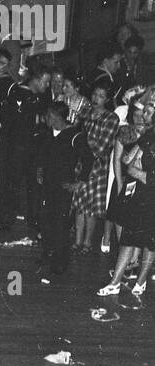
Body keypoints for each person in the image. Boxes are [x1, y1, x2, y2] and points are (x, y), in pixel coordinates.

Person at [97, 96, 155, 302]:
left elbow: (136, 167)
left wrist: (141, 173)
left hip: (151, 193)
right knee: (129, 236)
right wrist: (134, 167)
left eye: (147, 112)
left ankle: (141, 281)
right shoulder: (147, 136)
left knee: (150, 241)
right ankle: (116, 283)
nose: (143, 116)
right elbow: (127, 160)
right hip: (140, 192)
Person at [0, 60, 51, 234]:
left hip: (34, 151)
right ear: (35, 79)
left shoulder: (41, 98)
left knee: (34, 188)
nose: (47, 86)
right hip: (17, 150)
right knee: (12, 185)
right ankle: (6, 220)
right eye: (45, 82)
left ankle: (34, 222)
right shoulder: (17, 94)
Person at [36, 101, 92, 282]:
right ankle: (48, 252)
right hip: (47, 184)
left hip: (63, 186)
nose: (47, 119)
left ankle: (60, 261)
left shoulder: (74, 135)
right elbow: (44, 153)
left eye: (51, 116)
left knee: (60, 223)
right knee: (45, 219)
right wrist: (40, 169)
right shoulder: (48, 132)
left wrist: (80, 182)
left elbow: (88, 158)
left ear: (60, 117)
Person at [71, 85, 119, 254]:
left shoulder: (111, 118)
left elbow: (101, 146)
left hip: (98, 167)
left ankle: (87, 242)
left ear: (106, 99)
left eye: (101, 95)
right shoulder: (85, 113)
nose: (96, 98)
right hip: (81, 164)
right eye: (95, 94)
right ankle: (77, 241)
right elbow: (75, 136)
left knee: (91, 207)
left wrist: (84, 140)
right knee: (79, 205)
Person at [104, 95, 147, 252]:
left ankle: (131, 256)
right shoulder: (125, 132)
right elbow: (117, 160)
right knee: (119, 214)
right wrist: (120, 185)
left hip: (139, 182)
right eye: (136, 115)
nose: (140, 119)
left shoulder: (149, 134)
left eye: (143, 116)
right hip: (123, 178)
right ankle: (123, 249)